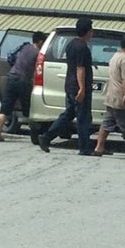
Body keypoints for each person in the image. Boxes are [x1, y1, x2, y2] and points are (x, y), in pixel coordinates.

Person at [38, 18, 94, 155]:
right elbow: (80, 68)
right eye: (91, 30)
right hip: (77, 86)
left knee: (69, 114)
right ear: (87, 32)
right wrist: (82, 88)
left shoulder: (70, 45)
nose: (92, 33)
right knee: (83, 117)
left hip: (69, 85)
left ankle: (46, 137)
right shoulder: (82, 47)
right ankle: (84, 148)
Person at [0, 31, 47, 142]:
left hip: (11, 77)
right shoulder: (39, 54)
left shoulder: (25, 47)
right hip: (23, 81)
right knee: (30, 110)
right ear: (41, 42)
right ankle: (35, 136)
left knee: (4, 109)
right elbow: (37, 71)